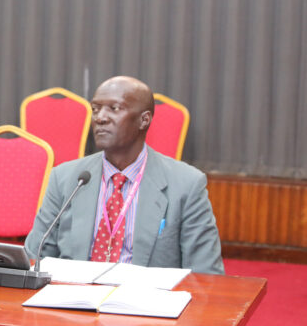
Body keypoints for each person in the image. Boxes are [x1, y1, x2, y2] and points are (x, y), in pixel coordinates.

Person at [25, 76, 224, 274]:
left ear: (144, 120)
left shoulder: (186, 184)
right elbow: (35, 258)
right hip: (71, 299)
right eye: (96, 109)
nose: (100, 117)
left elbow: (206, 275)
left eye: (115, 109)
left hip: (147, 300)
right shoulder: (66, 178)